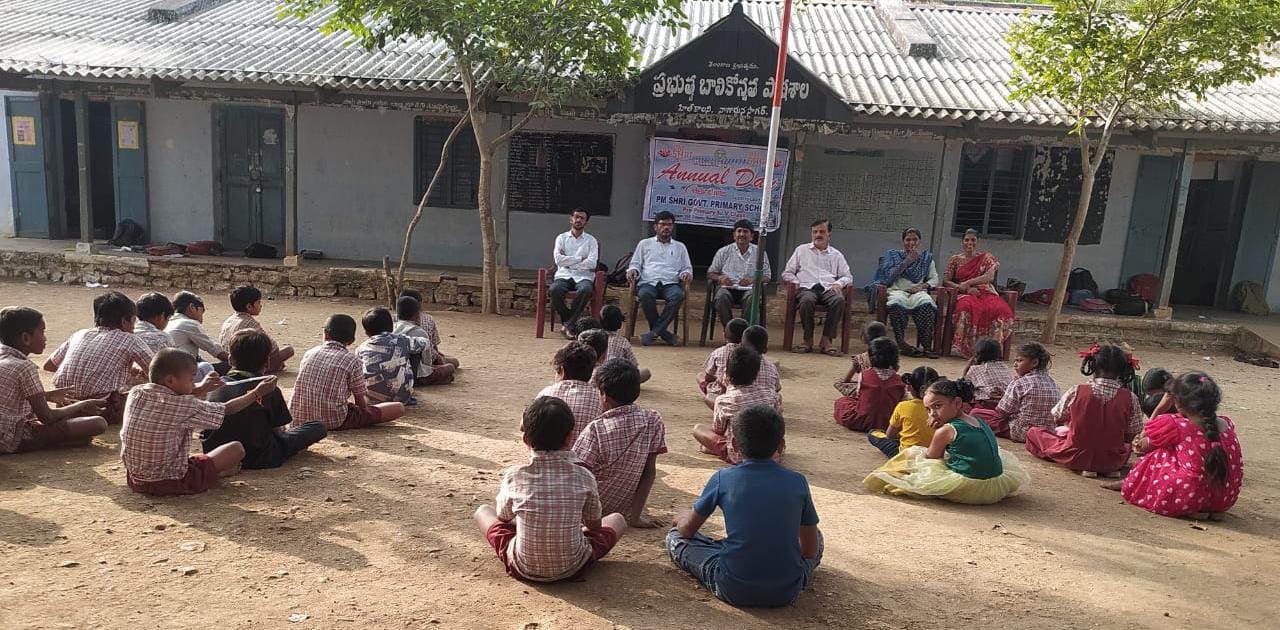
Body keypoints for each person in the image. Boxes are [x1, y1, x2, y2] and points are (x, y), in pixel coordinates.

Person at [668, 405, 822, 608]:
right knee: (817, 536)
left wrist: (681, 517)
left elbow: (687, 530)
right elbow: (810, 551)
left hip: (732, 587)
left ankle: (733, 551)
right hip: (786, 591)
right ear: (781, 445)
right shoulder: (797, 481)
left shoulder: (723, 478)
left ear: (734, 444)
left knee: (675, 537)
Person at [473, 396, 628, 582]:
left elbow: (503, 518)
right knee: (617, 519)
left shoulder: (515, 475)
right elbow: (594, 526)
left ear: (525, 439)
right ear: (570, 437)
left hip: (522, 567)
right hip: (574, 567)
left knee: (483, 511)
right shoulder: (584, 476)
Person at [120, 348, 277, 496]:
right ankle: (215, 474)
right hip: (169, 481)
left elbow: (173, 396)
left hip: (136, 479)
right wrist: (257, 393)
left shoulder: (137, 392)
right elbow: (226, 409)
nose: (193, 383)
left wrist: (200, 388)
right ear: (170, 380)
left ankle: (212, 473)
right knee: (236, 449)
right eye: (191, 379)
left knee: (195, 457)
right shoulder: (183, 406)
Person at [864, 378, 1030, 505]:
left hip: (971, 488)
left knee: (914, 453)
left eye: (937, 406)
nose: (932, 414)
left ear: (957, 403)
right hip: (995, 485)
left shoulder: (945, 430)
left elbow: (931, 461)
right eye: (928, 410)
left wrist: (936, 432)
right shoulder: (978, 420)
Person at [1112, 372, 1244, 518]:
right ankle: (1209, 509)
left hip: (1187, 497)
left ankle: (1133, 484)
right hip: (1224, 498)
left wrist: (1157, 411)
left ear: (1177, 402)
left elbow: (1142, 447)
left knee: (1159, 451)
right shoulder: (1227, 424)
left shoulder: (1176, 424)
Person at [201, 330, 327, 469]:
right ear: (267, 362)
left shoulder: (214, 385)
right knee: (317, 427)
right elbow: (279, 430)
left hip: (217, 454)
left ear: (230, 359)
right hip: (260, 456)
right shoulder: (268, 389)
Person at [572, 358, 667, 527]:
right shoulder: (653, 420)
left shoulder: (596, 429)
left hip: (585, 512)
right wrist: (635, 517)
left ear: (605, 396)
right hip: (620, 510)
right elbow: (649, 472)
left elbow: (574, 476)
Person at [0, 307, 108, 454]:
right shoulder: (24, 367)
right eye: (42, 332)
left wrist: (47, 395)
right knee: (98, 423)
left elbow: (8, 396)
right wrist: (82, 404)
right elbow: (47, 417)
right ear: (26, 338)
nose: (45, 338)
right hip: (10, 437)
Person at [1025, 344, 1144, 477]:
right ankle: (1104, 468)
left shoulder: (1077, 390)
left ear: (1093, 365)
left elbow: (1057, 415)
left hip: (1076, 455)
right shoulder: (1130, 398)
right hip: (1112, 459)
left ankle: (1085, 465)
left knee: (1034, 432)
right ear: (1123, 369)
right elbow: (1133, 432)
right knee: (1125, 446)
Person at [44, 291, 155, 425]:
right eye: (133, 321)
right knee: (143, 388)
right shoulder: (130, 339)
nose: (134, 326)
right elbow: (157, 371)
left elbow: (49, 365)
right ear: (125, 321)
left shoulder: (80, 334)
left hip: (65, 406)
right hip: (101, 407)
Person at [289, 314, 405, 431]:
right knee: (398, 408)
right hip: (334, 420)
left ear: (325, 334)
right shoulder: (352, 361)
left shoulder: (309, 353)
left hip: (300, 417)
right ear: (351, 341)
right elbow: (361, 403)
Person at [693, 346, 782, 465]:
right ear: (756, 375)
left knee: (698, 429)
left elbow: (718, 430)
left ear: (727, 375)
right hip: (770, 452)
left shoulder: (724, 400)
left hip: (739, 454)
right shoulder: (772, 395)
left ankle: (719, 450)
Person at [865, 228, 940, 358]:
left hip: (917, 292)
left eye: (915, 239)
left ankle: (926, 346)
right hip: (896, 291)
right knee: (896, 304)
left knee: (927, 304)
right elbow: (887, 278)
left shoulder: (926, 258)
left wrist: (922, 285)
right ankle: (901, 343)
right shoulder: (892, 256)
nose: (911, 242)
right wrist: (907, 261)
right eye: (908, 239)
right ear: (902, 241)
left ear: (920, 242)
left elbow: (934, 278)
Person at [780, 219, 852, 356]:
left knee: (839, 300)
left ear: (829, 234)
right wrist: (797, 283)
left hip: (827, 288)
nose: (818, 234)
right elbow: (787, 273)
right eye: (815, 232)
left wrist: (838, 283)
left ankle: (826, 340)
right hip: (806, 287)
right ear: (811, 234)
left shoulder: (836, 255)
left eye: (822, 232)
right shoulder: (801, 250)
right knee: (807, 300)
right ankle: (807, 340)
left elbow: (847, 276)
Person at [945, 229, 1015, 358]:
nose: (969, 243)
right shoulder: (955, 260)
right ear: (962, 242)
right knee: (966, 307)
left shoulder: (986, 258)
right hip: (965, 293)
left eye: (973, 240)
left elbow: (989, 277)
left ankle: (992, 350)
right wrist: (964, 288)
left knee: (1001, 310)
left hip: (985, 291)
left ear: (978, 242)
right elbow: (946, 281)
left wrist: (970, 282)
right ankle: (971, 349)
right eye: (967, 240)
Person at [627, 211, 693, 346]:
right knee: (645, 294)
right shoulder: (644, 244)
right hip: (648, 282)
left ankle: (653, 333)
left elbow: (687, 268)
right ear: (655, 227)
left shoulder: (680, 247)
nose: (666, 228)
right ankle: (664, 334)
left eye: (669, 225)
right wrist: (633, 270)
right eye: (663, 224)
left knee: (678, 295)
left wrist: (686, 274)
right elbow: (635, 264)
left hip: (670, 283)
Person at [972, 342, 1060, 442]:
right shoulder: (1053, 383)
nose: (1015, 365)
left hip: (1022, 432)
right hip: (1047, 433)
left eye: (1019, 361)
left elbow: (1001, 412)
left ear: (1034, 363)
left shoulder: (1020, 383)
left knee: (976, 413)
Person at [357, 307, 428, 406]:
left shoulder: (362, 348)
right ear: (391, 327)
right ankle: (409, 387)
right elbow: (424, 343)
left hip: (372, 398)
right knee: (414, 350)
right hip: (401, 398)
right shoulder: (403, 340)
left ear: (366, 332)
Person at [708, 219, 772, 327]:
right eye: (739, 231)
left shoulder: (760, 252)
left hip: (749, 289)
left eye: (745, 231)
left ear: (751, 236)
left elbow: (767, 276)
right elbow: (710, 273)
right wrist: (720, 278)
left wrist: (752, 280)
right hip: (727, 288)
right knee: (720, 297)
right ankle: (730, 331)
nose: (742, 234)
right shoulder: (724, 251)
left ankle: (745, 332)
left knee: (753, 297)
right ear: (734, 235)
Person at [833, 337, 905, 432]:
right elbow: (901, 402)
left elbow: (859, 395)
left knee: (841, 402)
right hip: (888, 423)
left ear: (871, 357)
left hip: (862, 421)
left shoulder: (865, 375)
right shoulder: (900, 380)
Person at [536, 341, 603, 443]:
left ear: (562, 371)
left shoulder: (546, 393)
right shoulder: (601, 398)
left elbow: (525, 425)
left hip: (549, 451)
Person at [549, 208, 600, 338]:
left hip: (584, 276)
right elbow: (558, 260)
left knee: (586, 290)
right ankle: (570, 324)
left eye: (582, 218)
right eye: (576, 217)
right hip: (563, 275)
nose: (578, 220)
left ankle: (567, 324)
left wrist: (569, 260)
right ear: (571, 219)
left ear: (586, 222)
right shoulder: (561, 238)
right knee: (554, 290)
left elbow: (592, 263)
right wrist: (580, 258)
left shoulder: (591, 241)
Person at [868, 366, 940, 457]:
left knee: (873, 433)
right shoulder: (942, 408)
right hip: (932, 452)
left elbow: (890, 435)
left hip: (905, 454)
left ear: (910, 387)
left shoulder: (903, 406)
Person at [220, 285, 294, 374]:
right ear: (249, 306)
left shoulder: (230, 320)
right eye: (258, 302)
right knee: (289, 350)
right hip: (247, 363)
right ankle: (271, 368)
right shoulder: (249, 323)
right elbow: (271, 346)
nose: (261, 305)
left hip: (232, 359)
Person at [394, 295, 456, 386]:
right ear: (417, 315)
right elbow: (427, 362)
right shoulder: (420, 332)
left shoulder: (392, 328)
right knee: (450, 367)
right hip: (417, 375)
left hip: (394, 373)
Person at [166, 291, 229, 372]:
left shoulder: (169, 322)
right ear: (192, 307)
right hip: (182, 372)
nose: (201, 319)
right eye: (201, 312)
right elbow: (216, 351)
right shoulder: (189, 323)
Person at [400, 288, 460, 369]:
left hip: (400, 362)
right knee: (452, 364)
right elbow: (432, 351)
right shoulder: (426, 322)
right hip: (422, 367)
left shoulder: (394, 321)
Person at [698, 318, 749, 408]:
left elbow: (708, 377)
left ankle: (719, 408)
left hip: (723, 391)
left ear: (724, 335)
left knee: (700, 377)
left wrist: (719, 379)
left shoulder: (718, 352)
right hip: (745, 393)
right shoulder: (752, 354)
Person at [599, 304, 650, 383]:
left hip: (599, 376)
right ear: (619, 324)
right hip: (618, 378)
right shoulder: (623, 341)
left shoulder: (595, 336)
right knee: (646, 372)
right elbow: (634, 365)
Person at [963, 338, 1013, 411]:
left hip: (987, 406)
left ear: (977, 354)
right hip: (1005, 404)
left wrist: (967, 368)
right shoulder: (1004, 367)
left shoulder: (975, 369)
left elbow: (964, 383)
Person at [741, 325, 781, 395]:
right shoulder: (771, 367)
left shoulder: (738, 364)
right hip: (767, 404)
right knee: (779, 397)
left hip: (742, 402)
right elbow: (777, 388)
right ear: (765, 349)